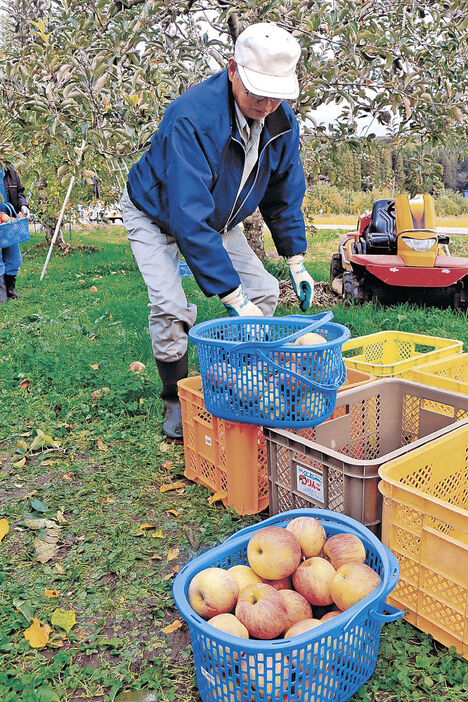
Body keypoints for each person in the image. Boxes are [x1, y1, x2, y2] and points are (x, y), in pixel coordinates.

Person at [121, 22, 315, 442]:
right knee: (171, 305)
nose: (266, 104)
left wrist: (295, 260)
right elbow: (188, 214)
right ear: (233, 70)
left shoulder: (281, 121)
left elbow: (283, 191)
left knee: (263, 291)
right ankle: (175, 398)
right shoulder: (191, 117)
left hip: (217, 217)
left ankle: (244, 381)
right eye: (256, 94)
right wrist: (230, 295)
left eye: (275, 95)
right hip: (155, 215)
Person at [0, 163, 29, 302]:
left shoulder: (9, 170)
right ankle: (1, 294)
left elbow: (19, 191)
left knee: (14, 257)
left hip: (8, 221)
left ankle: (10, 291)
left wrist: (23, 205)